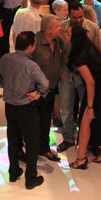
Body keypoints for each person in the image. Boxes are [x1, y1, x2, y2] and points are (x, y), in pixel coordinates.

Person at [0, 31, 48, 189]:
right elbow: (44, 84)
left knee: (13, 139)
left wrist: (4, 86)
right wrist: (38, 94)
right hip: (26, 106)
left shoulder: (6, 58)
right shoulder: (31, 65)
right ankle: (30, 177)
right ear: (30, 46)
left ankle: (13, 171)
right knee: (32, 142)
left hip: (10, 106)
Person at [58, 2, 101, 152]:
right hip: (66, 76)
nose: (78, 20)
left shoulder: (92, 28)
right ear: (69, 16)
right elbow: (58, 51)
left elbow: (99, 51)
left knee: (88, 110)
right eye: (75, 17)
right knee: (66, 109)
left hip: (85, 78)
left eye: (80, 17)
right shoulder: (61, 28)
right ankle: (68, 138)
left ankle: (90, 140)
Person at [68, 26, 101, 168]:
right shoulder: (90, 49)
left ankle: (81, 159)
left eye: (68, 33)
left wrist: (89, 106)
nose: (66, 35)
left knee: (85, 123)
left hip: (96, 92)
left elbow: (90, 82)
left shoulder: (78, 57)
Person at [31, 15, 64, 162]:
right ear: (48, 30)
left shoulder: (58, 41)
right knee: (33, 120)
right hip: (36, 90)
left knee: (45, 119)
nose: (61, 28)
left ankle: (43, 148)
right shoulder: (35, 43)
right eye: (57, 26)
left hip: (51, 87)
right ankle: (31, 148)